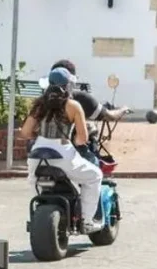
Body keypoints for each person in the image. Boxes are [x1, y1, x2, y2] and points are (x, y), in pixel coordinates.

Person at [21, 67, 104, 233]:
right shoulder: (73, 106)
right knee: (95, 176)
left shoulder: (39, 105)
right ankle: (87, 220)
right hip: (63, 153)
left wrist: (41, 134)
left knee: (35, 183)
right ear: (68, 86)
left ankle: (40, 209)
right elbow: (82, 138)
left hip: (37, 154)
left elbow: (25, 133)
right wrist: (75, 142)